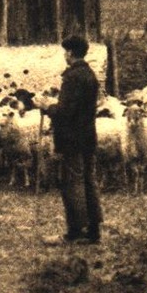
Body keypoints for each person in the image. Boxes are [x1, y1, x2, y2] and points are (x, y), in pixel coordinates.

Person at [46, 33, 103, 245]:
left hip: (72, 139)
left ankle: (76, 231)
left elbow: (65, 111)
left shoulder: (72, 77)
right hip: (88, 136)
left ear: (70, 53)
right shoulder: (90, 75)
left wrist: (47, 106)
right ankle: (93, 230)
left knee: (73, 183)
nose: (64, 56)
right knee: (89, 181)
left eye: (65, 52)